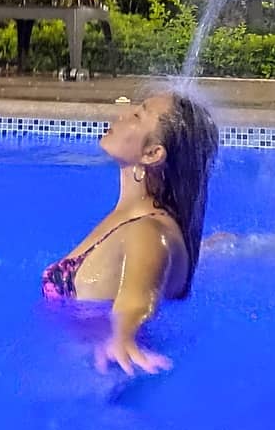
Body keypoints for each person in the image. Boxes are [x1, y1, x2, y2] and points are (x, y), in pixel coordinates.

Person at [42, 91, 219, 375]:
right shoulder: (133, 218)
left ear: (152, 154)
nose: (123, 115)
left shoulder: (149, 232)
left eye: (137, 115)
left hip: (102, 372)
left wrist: (123, 337)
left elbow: (138, 299)